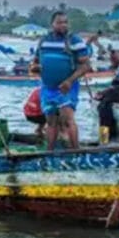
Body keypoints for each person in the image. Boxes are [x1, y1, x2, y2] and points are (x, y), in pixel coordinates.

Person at [30, 11, 91, 150]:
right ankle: (49, 153)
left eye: (65, 22)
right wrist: (35, 68)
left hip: (67, 87)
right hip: (48, 87)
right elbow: (36, 62)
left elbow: (86, 66)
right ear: (52, 24)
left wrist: (69, 81)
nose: (63, 25)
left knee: (68, 119)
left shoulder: (74, 41)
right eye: (59, 22)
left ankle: (76, 152)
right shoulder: (43, 41)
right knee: (51, 121)